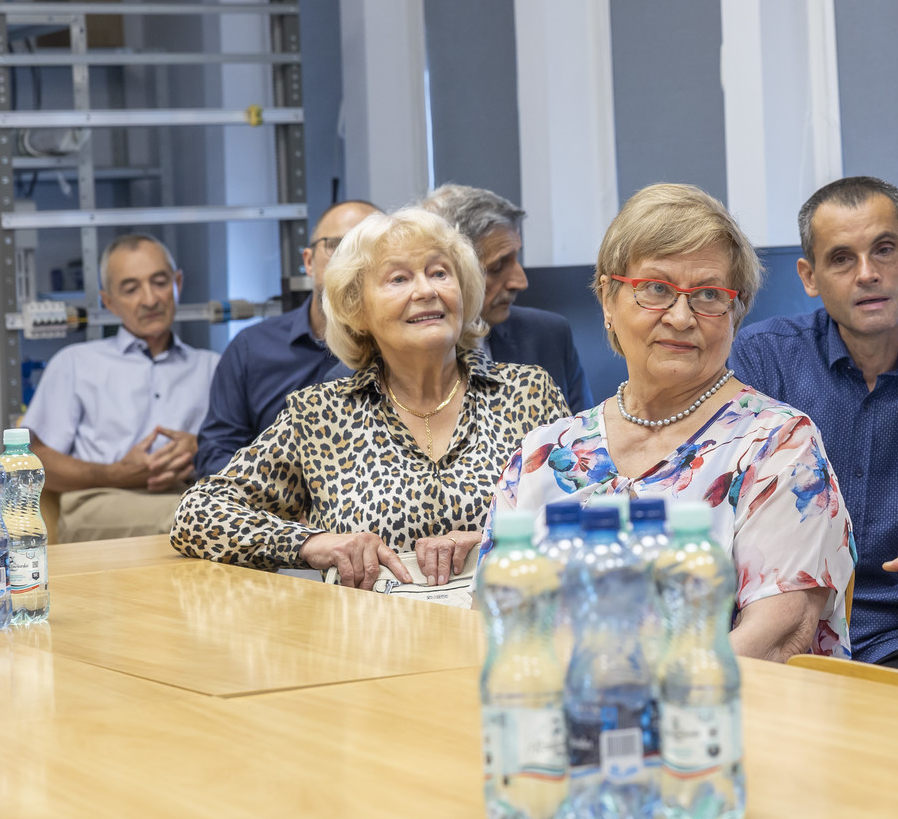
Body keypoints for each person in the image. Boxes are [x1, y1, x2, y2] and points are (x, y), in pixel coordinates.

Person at [478, 183, 855, 660]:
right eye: (656, 289)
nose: (680, 317)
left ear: (735, 313)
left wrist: (647, 695)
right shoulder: (543, 451)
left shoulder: (778, 446)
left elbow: (779, 636)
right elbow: (489, 619)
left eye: (709, 294)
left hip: (717, 700)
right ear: (608, 299)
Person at [171, 208, 569, 587]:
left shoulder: (529, 392)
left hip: (505, 619)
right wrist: (312, 544)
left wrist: (494, 540)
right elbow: (198, 514)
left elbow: (589, 508)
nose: (426, 290)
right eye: (399, 279)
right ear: (357, 310)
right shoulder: (319, 415)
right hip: (372, 631)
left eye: (439, 273)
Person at [729, 177, 898, 669]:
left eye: (885, 250)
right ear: (809, 277)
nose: (867, 274)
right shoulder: (763, 359)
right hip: (785, 632)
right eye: (841, 259)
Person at [21, 234, 221, 541]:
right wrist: (116, 473)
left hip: (193, 495)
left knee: (212, 512)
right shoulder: (75, 363)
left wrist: (202, 448)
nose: (150, 299)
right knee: (202, 516)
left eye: (160, 282)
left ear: (177, 284)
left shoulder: (213, 366)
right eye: (131, 289)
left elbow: (251, 451)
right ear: (109, 301)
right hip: (100, 500)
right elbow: (34, 462)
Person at [195, 199, 381, 476]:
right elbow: (215, 455)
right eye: (337, 245)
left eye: (369, 248)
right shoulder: (251, 349)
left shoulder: (405, 353)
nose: (352, 260)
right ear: (308, 262)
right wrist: (285, 495)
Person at [420, 184, 592, 411]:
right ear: (443, 272)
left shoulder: (548, 336)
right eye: (497, 267)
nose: (521, 282)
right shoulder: (401, 356)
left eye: (516, 259)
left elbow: (585, 433)